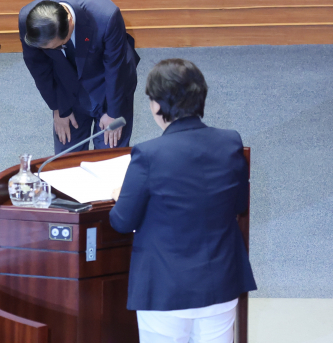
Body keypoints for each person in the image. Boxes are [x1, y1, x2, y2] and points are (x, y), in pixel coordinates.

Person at [109, 58, 256, 343]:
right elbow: (239, 205)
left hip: (166, 290)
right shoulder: (230, 142)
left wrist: (120, 197)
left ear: (157, 105)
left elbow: (122, 222)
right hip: (220, 284)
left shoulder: (148, 154)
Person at [18, 0, 138, 153]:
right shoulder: (29, 21)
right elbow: (39, 68)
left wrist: (113, 113)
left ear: (70, 22)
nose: (53, 51)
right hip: (66, 88)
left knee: (108, 158)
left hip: (108, 85)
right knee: (65, 161)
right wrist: (59, 108)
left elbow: (115, 68)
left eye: (58, 46)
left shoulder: (106, 16)